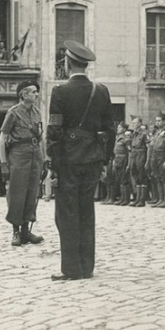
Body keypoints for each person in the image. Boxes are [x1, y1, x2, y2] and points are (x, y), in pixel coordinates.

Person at [46, 40, 115, 281]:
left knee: (67, 214)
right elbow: (110, 129)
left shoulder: (60, 92)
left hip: (68, 161)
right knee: (87, 211)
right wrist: (105, 160)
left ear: (67, 63)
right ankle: (87, 266)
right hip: (93, 159)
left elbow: (54, 131)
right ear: (85, 65)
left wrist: (53, 165)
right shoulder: (102, 91)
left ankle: (71, 268)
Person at [0, 80, 46, 246]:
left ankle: (26, 230)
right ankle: (16, 232)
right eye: (33, 92)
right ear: (24, 94)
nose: (36, 94)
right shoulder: (13, 112)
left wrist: (45, 159)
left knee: (32, 192)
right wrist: (4, 163)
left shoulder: (37, 112)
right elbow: (2, 139)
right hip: (18, 155)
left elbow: (41, 138)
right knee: (17, 193)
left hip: (35, 155)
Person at [127, 118, 150, 207]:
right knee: (135, 176)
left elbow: (148, 148)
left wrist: (147, 161)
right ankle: (137, 198)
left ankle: (142, 200)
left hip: (141, 155)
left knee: (142, 177)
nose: (133, 124)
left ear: (140, 123)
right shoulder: (133, 134)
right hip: (134, 155)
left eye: (135, 122)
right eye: (132, 123)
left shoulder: (144, 134)